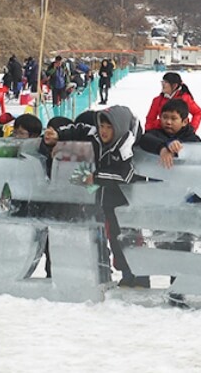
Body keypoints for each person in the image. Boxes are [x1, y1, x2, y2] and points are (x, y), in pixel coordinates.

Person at [43, 105, 147, 287]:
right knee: (115, 240)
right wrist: (59, 137)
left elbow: (125, 174)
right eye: (102, 126)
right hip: (106, 200)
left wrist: (96, 177)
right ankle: (126, 275)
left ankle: (140, 278)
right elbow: (80, 129)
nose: (104, 131)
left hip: (127, 203)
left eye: (109, 127)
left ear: (119, 127)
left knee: (131, 240)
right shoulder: (97, 138)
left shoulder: (126, 146)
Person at [138, 98, 201, 169]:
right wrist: (162, 148)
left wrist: (177, 149)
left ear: (185, 122)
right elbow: (145, 139)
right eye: (165, 117)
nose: (168, 122)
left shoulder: (192, 139)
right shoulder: (156, 133)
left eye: (173, 119)